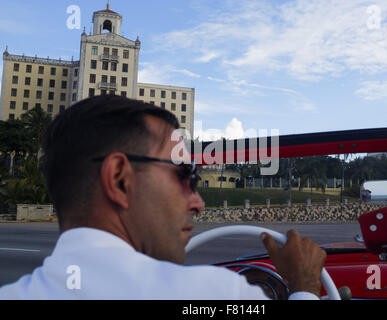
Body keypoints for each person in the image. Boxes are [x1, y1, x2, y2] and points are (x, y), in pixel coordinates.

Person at [0, 95, 326, 300]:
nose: (198, 202)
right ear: (120, 179)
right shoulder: (219, 293)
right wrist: (305, 286)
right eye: (185, 174)